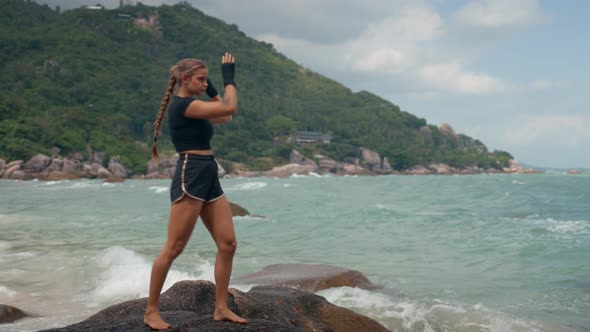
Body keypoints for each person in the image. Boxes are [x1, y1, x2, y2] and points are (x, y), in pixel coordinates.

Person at [144, 52, 247, 330]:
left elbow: (223, 118)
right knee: (174, 247)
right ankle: (151, 311)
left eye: (207, 80)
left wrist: (213, 89)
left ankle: (221, 307)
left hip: (208, 172)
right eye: (201, 79)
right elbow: (230, 109)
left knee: (228, 244)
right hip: (191, 174)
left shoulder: (197, 104)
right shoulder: (184, 106)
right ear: (185, 79)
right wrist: (228, 80)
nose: (204, 84)